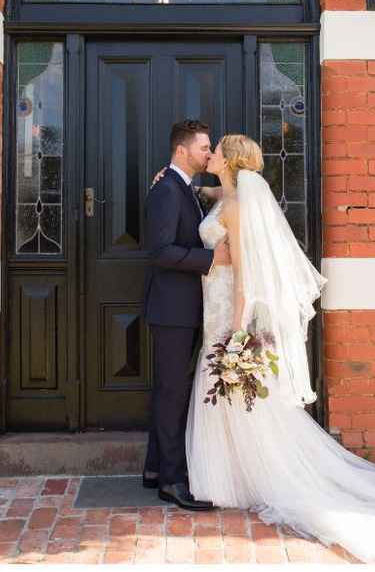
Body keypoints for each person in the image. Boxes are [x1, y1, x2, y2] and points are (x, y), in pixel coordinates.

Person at [182, 133, 375, 564]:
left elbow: (246, 275)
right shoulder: (230, 195)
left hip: (227, 309)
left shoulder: (239, 207)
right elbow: (219, 199)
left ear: (230, 160)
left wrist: (239, 330)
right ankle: (237, 476)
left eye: (218, 149)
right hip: (213, 302)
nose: (213, 153)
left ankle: (242, 479)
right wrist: (193, 186)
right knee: (231, 399)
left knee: (232, 392)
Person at [142, 119, 230, 511]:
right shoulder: (166, 190)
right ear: (182, 151)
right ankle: (173, 482)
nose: (208, 154)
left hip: (183, 308)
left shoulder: (181, 186)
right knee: (172, 392)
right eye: (203, 148)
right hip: (171, 310)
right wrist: (211, 259)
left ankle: (155, 468)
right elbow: (159, 251)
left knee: (170, 391)